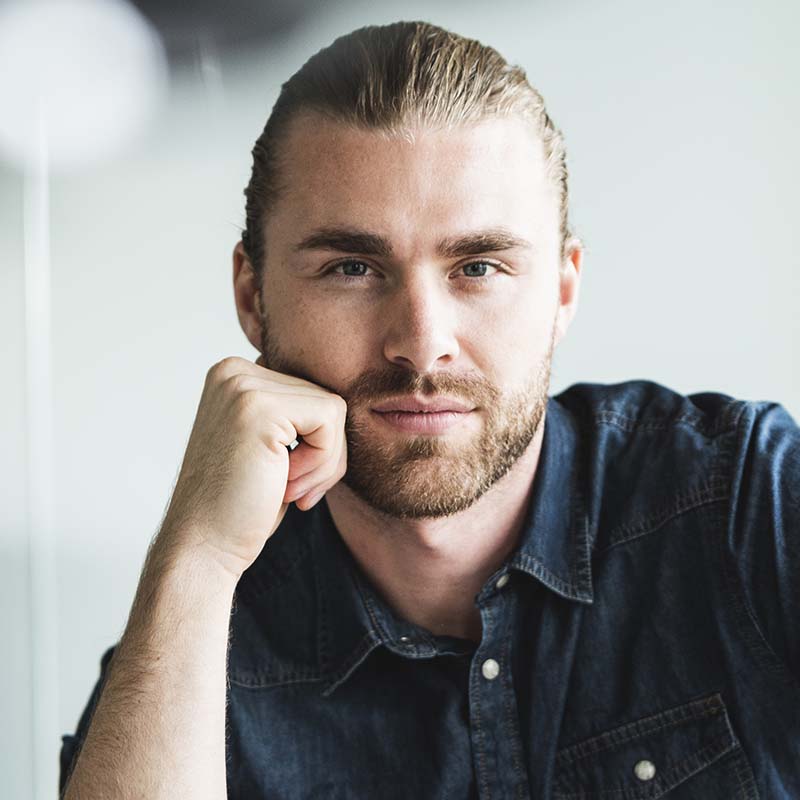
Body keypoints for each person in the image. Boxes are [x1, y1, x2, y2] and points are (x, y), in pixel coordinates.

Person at [60, 19, 799, 800]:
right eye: (351, 267)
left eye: (478, 266)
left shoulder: (741, 500)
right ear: (252, 296)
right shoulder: (202, 646)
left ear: (562, 290)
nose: (420, 344)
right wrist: (198, 557)